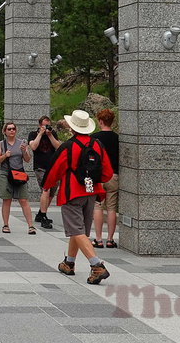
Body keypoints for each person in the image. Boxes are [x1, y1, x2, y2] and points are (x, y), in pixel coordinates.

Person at [41, 109, 114, 285]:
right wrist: (96, 181)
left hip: (72, 192)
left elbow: (55, 170)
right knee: (79, 230)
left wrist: (47, 186)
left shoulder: (68, 146)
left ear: (72, 128)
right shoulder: (97, 144)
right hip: (91, 191)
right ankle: (69, 263)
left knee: (76, 230)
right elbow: (107, 172)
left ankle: (97, 266)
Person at [0, 121, 36, 234]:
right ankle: (6, 225)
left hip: (19, 173)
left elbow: (27, 159)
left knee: (23, 199)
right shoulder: (1, 144)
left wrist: (24, 151)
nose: (12, 131)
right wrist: (4, 155)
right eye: (9, 129)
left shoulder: (22, 143)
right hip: (5, 174)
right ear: (5, 131)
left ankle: (31, 226)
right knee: (6, 200)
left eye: (13, 129)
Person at [91, 108, 120, 248]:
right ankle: (110, 239)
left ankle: (98, 238)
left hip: (98, 177)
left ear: (100, 121)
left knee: (98, 206)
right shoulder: (117, 138)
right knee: (111, 207)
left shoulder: (94, 138)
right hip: (113, 175)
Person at [29, 116, 62, 229]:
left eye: (48, 125)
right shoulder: (33, 134)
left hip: (53, 168)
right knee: (45, 189)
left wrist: (50, 134)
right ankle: (43, 216)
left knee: (52, 192)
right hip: (40, 167)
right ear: (39, 125)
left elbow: (58, 147)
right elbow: (33, 147)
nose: (46, 127)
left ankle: (40, 213)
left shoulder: (52, 134)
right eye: (44, 125)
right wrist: (40, 134)